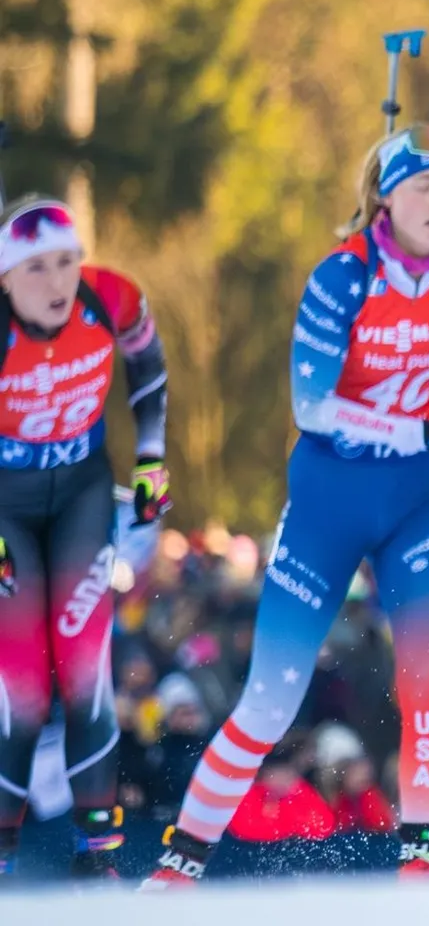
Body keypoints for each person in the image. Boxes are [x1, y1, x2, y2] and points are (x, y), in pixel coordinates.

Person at [146, 125, 429, 886]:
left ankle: (420, 865)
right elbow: (313, 406)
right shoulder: (342, 276)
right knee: (269, 701)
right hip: (331, 494)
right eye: (423, 186)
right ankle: (179, 862)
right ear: (387, 198)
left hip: (421, 498)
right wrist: (422, 428)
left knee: (425, 680)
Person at [0, 196, 171, 879]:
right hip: (6, 510)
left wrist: (151, 457)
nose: (57, 282)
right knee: (23, 695)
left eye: (67, 262)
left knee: (84, 676)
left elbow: (149, 367)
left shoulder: (111, 298)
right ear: (6, 278)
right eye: (36, 268)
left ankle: (97, 856)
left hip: (81, 496)